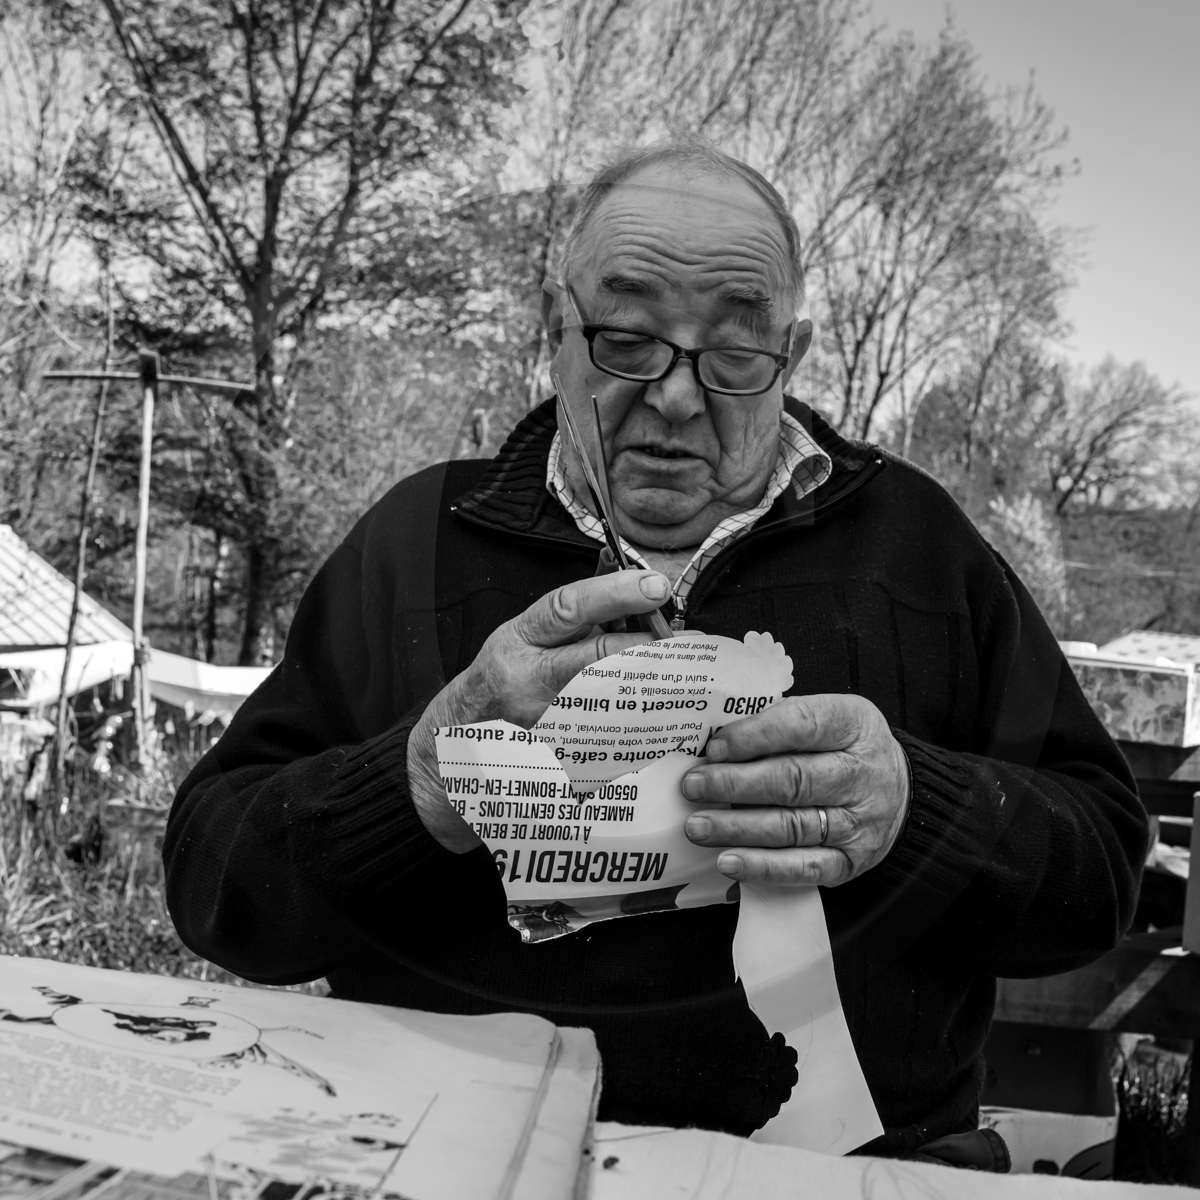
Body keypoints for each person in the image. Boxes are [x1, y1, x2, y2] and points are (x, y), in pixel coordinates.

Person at [164, 141, 1147, 1156]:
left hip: (847, 1179)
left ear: (794, 355)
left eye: (734, 354)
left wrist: (916, 808)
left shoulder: (920, 548)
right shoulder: (418, 541)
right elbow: (214, 887)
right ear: (558, 332)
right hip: (444, 1158)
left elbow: (1101, 875)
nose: (677, 397)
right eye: (627, 338)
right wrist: (422, 771)